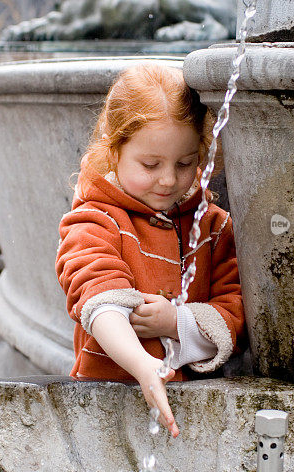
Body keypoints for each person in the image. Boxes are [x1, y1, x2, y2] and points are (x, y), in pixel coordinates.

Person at [56, 63, 246, 438]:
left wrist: (176, 322)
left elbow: (236, 309)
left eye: (185, 163)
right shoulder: (92, 221)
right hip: (105, 407)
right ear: (113, 150)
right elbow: (100, 303)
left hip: (194, 414)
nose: (168, 179)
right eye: (150, 164)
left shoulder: (213, 225)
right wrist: (143, 366)